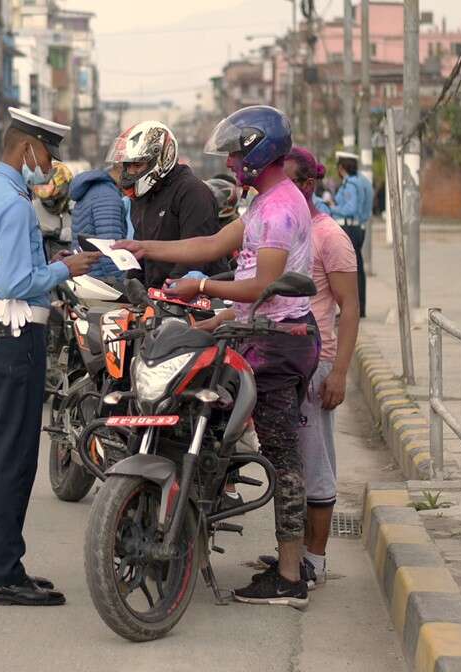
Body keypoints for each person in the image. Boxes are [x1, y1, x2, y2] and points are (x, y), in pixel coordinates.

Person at [115, 105, 320, 608]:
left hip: (279, 341)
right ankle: (200, 512)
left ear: (258, 153)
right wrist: (146, 249)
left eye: (234, 154)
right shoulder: (263, 203)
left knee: (281, 454)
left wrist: (204, 286)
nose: (229, 163)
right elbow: (211, 242)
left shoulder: (277, 210)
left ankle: (291, 577)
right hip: (256, 331)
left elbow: (260, 285)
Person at [0, 107, 100, 606]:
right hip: (17, 328)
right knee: (15, 457)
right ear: (27, 149)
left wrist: (47, 268)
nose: (50, 165)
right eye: (46, 153)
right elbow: (15, 281)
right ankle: (5, 573)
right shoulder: (18, 205)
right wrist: (64, 268)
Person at [252, 147, 359, 589]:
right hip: (279, 355)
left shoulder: (330, 236)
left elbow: (350, 309)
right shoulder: (279, 224)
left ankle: (314, 559)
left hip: (315, 362)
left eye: (288, 181)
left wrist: (338, 374)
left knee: (314, 462)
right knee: (287, 458)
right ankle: (291, 556)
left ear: (309, 185)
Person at [106, 121, 229, 288]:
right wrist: (132, 287)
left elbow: (197, 254)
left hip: (194, 295)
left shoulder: (192, 192)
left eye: (137, 165)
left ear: (162, 158)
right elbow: (141, 251)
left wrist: (168, 291)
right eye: (127, 166)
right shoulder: (143, 195)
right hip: (156, 298)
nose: (131, 173)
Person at [318, 151, 371, 317]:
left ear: (342, 168)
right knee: (358, 270)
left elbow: (350, 208)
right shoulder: (362, 181)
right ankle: (359, 307)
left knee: (349, 271)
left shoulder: (350, 185)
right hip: (359, 227)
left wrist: (332, 208)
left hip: (350, 227)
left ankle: (354, 309)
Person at [70, 165, 129, 281]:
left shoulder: (92, 190)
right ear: (123, 168)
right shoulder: (107, 197)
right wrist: (122, 283)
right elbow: (110, 249)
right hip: (102, 281)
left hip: (85, 275)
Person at [32, 161, 74, 259]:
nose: (49, 201)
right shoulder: (33, 208)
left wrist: (63, 233)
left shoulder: (76, 204)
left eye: (53, 197)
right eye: (45, 199)